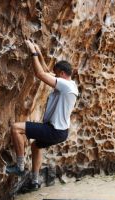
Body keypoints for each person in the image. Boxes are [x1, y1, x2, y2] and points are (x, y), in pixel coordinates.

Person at [6, 39, 78, 192]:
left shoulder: (65, 85)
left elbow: (40, 74)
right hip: (61, 132)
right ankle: (35, 181)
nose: (55, 76)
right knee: (36, 145)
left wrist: (32, 52)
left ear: (63, 74)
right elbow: (46, 71)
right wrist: (39, 52)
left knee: (16, 128)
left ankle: (19, 166)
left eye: (57, 74)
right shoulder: (70, 84)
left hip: (54, 130)